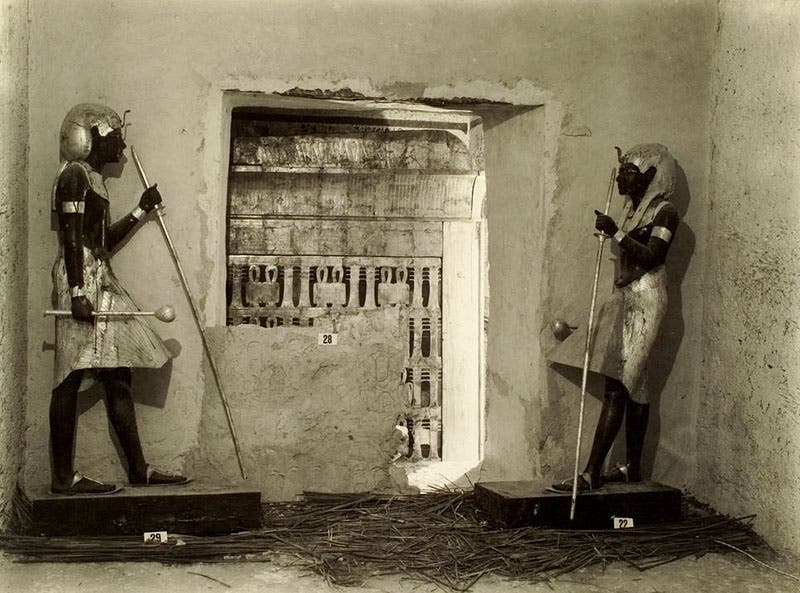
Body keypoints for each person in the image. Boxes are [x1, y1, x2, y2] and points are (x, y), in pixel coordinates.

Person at [50, 103, 189, 494]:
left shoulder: (93, 180)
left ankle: (138, 470)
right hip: (80, 279)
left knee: (119, 375)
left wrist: (140, 211)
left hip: (98, 274)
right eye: (115, 137)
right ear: (92, 137)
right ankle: (62, 477)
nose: (122, 147)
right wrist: (77, 291)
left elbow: (102, 243)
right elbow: (72, 238)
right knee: (70, 377)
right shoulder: (74, 177)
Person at [548, 144, 680, 492]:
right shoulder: (633, 211)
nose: (621, 177)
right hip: (627, 298)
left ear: (651, 176)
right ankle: (631, 469)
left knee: (618, 384)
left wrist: (616, 233)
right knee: (637, 386)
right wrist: (615, 232)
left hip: (647, 299)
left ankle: (592, 473)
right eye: (620, 171)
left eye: (629, 172)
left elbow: (653, 255)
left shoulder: (665, 212)